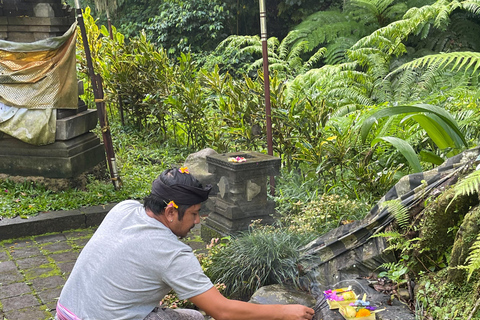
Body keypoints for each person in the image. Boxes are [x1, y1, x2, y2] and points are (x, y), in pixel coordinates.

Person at [56, 167, 315, 320]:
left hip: (67, 313)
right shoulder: (171, 252)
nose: (197, 221)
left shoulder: (124, 209)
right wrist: (284, 311)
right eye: (193, 213)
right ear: (170, 211)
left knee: (191, 315)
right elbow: (222, 311)